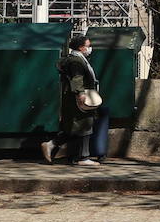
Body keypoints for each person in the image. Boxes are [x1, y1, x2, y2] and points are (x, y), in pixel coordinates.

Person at [40, 33, 110, 166]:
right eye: (87, 46)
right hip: (78, 97)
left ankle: (51, 145)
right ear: (80, 47)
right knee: (85, 124)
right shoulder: (76, 61)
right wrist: (80, 94)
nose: (90, 48)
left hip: (73, 97)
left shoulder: (74, 59)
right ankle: (83, 157)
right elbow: (77, 78)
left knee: (75, 127)